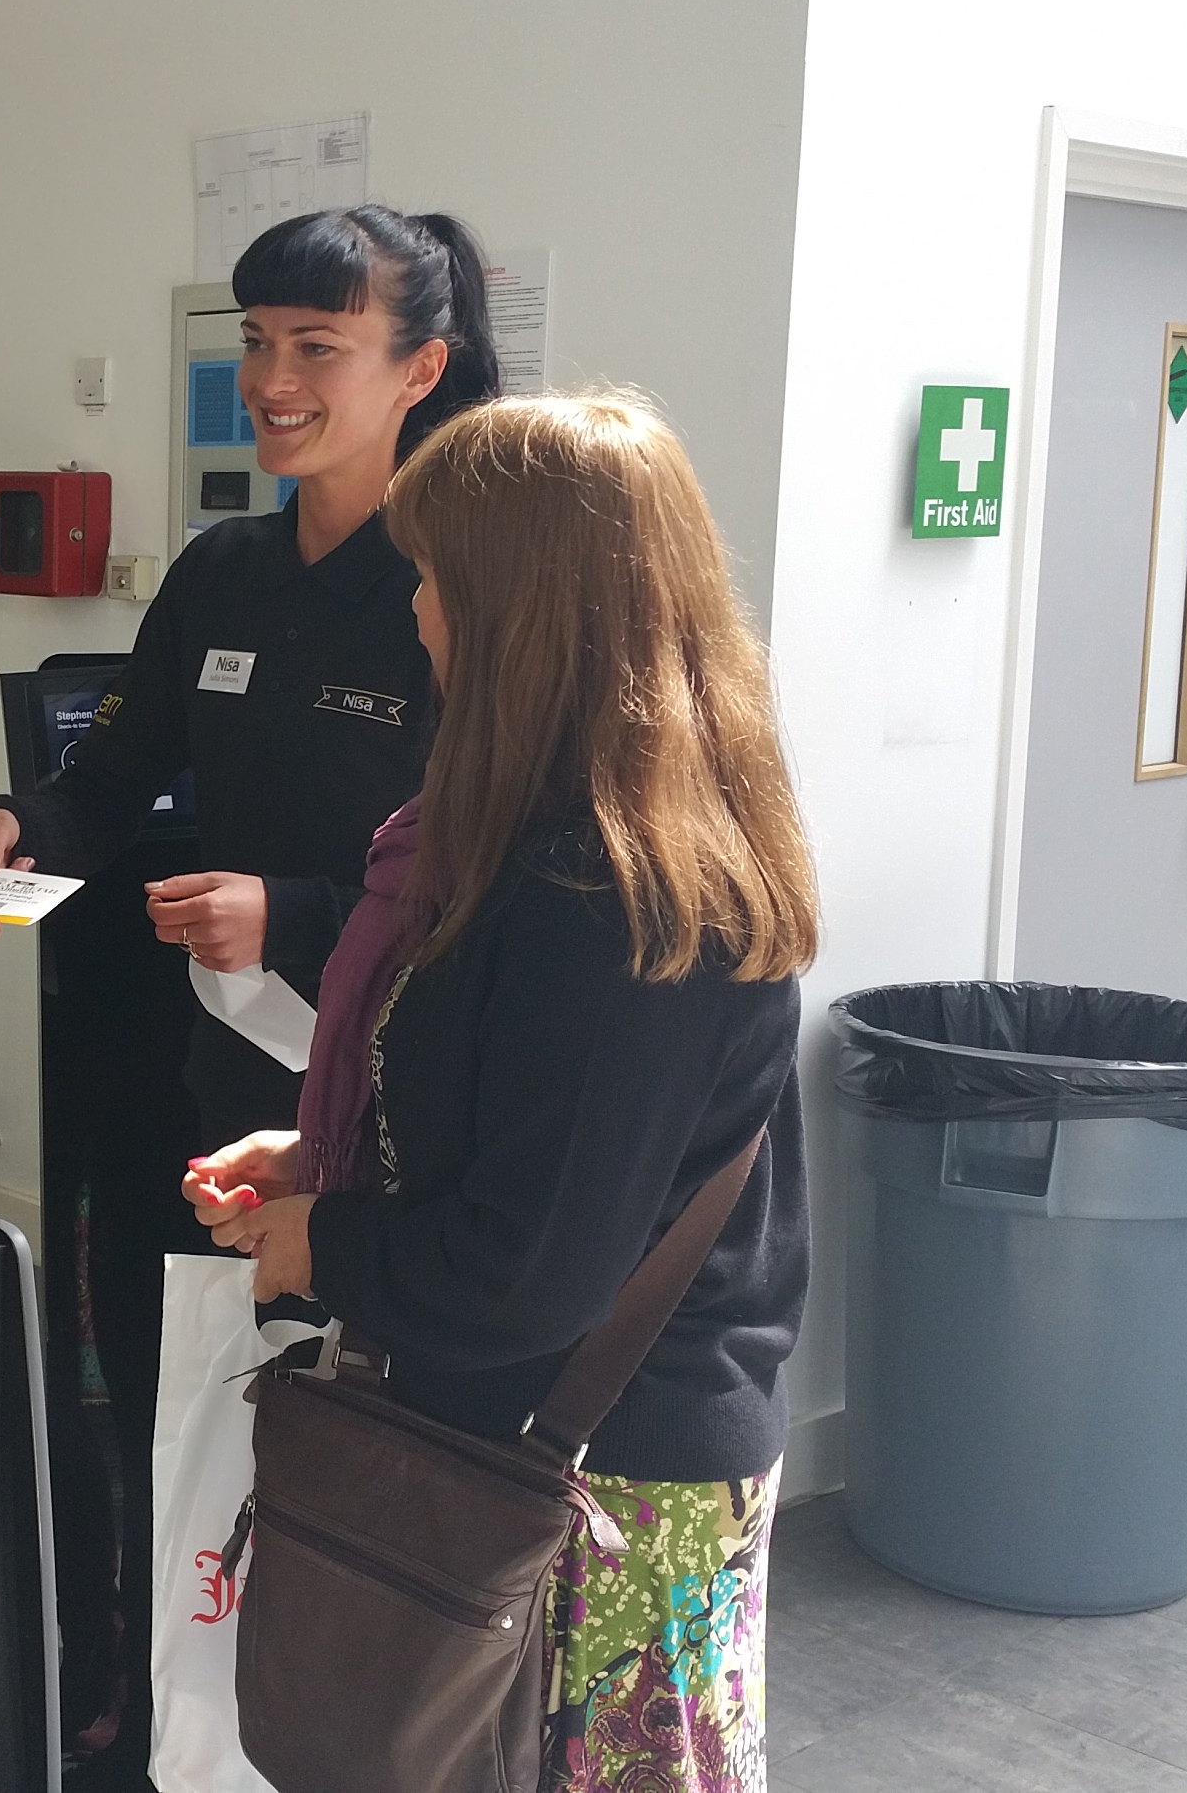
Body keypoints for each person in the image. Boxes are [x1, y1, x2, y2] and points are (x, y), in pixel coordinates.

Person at [0, 206, 500, 1781]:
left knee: (358, 1466)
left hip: (396, 1119)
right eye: (256, 344)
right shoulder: (225, 573)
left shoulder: (463, 586)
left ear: (421, 369)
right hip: (225, 1105)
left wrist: (294, 914)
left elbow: (486, 866)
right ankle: (177, 1721)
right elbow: (112, 775)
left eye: (318, 346)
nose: (273, 380)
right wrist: (19, 826)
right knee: (199, 1436)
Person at [188, 392, 817, 1793]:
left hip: (600, 1481)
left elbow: (529, 1268)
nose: (414, 611)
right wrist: (327, 1159)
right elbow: (543, 1140)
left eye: (432, 576)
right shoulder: (572, 840)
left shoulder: (612, 898)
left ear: (520, 612)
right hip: (547, 1449)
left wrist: (324, 1243)